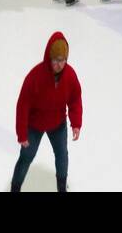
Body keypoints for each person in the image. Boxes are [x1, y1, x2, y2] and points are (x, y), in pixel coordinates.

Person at [11, 33, 82, 194]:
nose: (59, 65)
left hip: (57, 123)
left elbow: (75, 99)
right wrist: (22, 133)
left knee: (62, 155)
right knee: (26, 157)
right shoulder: (35, 76)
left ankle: (61, 187)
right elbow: (23, 105)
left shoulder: (70, 76)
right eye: (55, 60)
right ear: (49, 57)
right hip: (34, 125)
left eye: (62, 60)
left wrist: (76, 123)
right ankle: (15, 188)